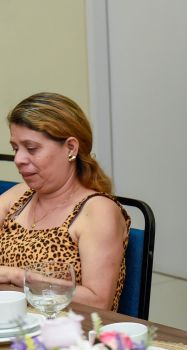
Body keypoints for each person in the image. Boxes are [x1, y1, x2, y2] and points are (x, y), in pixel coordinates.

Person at [0, 92, 130, 310]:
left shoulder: (97, 211)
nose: (18, 159)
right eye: (15, 148)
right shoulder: (19, 196)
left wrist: (15, 276)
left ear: (71, 148)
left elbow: (99, 301)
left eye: (31, 148)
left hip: (66, 328)